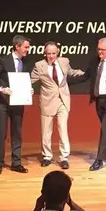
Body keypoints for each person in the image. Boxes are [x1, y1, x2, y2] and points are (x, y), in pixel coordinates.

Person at [69, 38, 106, 171]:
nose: (100, 52)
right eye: (99, 49)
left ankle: (99, 159)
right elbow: (86, 76)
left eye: (103, 50)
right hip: (98, 99)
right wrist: (67, 81)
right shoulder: (94, 61)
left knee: (104, 129)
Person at [30, 41, 85, 169]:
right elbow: (29, 81)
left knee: (63, 129)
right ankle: (47, 156)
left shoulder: (64, 61)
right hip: (47, 101)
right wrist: (26, 89)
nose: (51, 56)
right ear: (45, 53)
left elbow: (71, 72)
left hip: (63, 100)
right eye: (48, 53)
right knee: (46, 131)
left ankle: (64, 157)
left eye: (53, 53)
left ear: (58, 52)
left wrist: (86, 73)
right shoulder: (39, 66)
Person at [0, 35, 33, 175]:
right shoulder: (3, 60)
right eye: (26, 47)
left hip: (18, 102)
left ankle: (16, 163)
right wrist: (1, 89)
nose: (28, 50)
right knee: (1, 134)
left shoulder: (26, 62)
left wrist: (29, 89)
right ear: (17, 46)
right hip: (2, 102)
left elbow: (24, 80)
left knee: (17, 133)